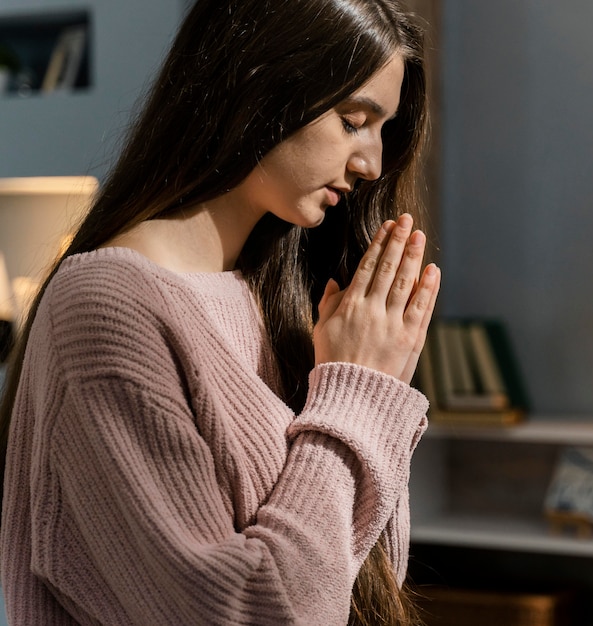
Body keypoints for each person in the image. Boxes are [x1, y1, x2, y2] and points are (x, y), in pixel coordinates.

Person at [0, 0, 441, 624]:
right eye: (352, 120)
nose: (370, 164)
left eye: (381, 130)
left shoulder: (285, 301)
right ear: (260, 84)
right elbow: (252, 612)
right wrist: (357, 397)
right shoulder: (105, 309)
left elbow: (368, 580)